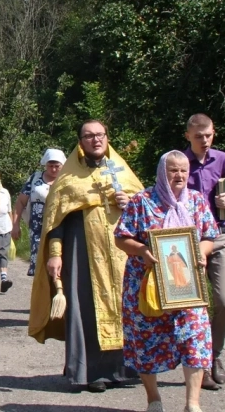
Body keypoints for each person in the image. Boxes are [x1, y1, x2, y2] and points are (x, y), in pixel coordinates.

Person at [28, 121, 143, 393]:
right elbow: (56, 221)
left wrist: (131, 203)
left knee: (124, 308)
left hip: (120, 255)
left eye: (100, 135)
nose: (95, 140)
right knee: (85, 311)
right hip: (82, 252)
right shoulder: (69, 178)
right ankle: (89, 373)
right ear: (80, 141)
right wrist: (55, 254)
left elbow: (144, 207)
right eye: (89, 136)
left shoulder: (121, 171)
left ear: (107, 137)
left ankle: (123, 369)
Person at [114, 150, 219, 412]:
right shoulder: (142, 201)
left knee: (195, 338)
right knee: (146, 340)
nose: (179, 175)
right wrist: (142, 251)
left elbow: (209, 236)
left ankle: (192, 404)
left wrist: (202, 254)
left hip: (186, 287)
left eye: (183, 170)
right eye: (173, 170)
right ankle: (153, 399)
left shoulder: (196, 201)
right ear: (163, 172)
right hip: (146, 285)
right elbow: (120, 237)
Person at [183, 113, 225, 390]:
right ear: (188, 137)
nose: (204, 141)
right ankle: (200, 364)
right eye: (198, 137)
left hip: (218, 236)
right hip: (188, 241)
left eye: (208, 135)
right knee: (195, 306)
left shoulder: (222, 159)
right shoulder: (178, 163)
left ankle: (215, 355)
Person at [11, 148, 66, 276]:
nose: (53, 169)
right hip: (37, 231)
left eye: (57, 166)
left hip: (61, 228)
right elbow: (20, 202)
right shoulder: (34, 179)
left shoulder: (67, 180)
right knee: (40, 267)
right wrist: (15, 224)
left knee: (60, 266)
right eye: (50, 166)